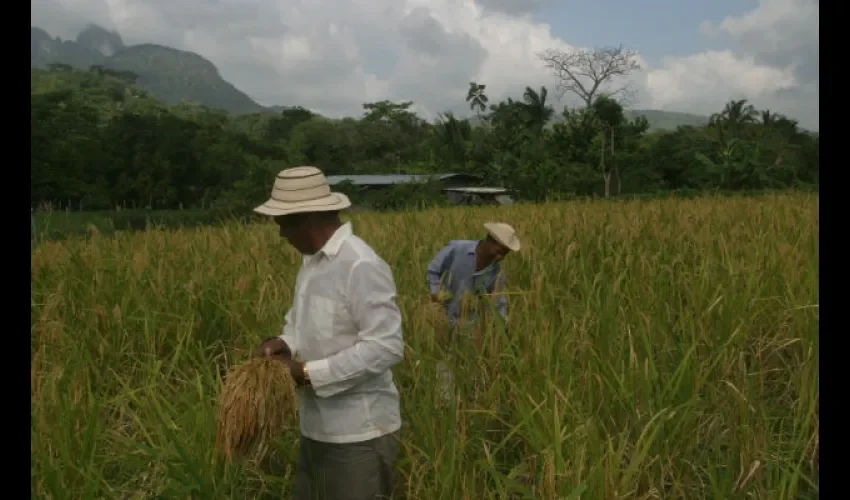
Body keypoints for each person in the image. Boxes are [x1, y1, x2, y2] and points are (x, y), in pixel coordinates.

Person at [253, 166, 405, 500]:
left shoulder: (360, 264)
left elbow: (386, 346)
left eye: (283, 224)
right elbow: (300, 324)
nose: (281, 235)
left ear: (305, 218)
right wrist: (283, 344)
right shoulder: (312, 265)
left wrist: (306, 373)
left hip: (359, 434)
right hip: (316, 428)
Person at [425, 222, 520, 403]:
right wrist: (436, 291)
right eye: (499, 251)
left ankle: (472, 403)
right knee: (445, 363)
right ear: (489, 241)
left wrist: (501, 326)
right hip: (444, 316)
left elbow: (498, 302)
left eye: (505, 254)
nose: (500, 257)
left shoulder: (495, 271)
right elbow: (433, 271)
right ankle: (446, 405)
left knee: (473, 364)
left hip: (472, 323)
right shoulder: (457, 249)